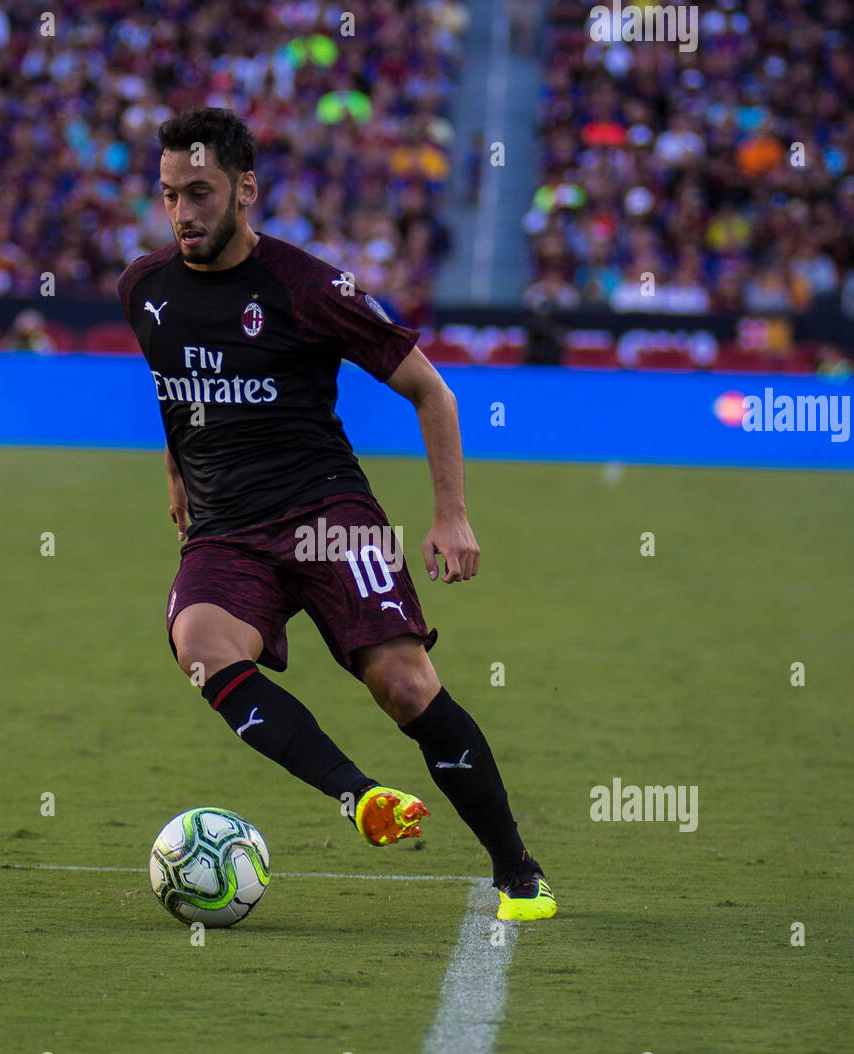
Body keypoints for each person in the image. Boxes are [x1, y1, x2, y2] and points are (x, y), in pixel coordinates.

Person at [117, 108, 554, 920]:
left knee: (404, 684)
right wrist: (176, 471)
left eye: (201, 193)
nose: (183, 213)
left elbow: (432, 389)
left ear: (246, 190)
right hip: (226, 530)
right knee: (200, 645)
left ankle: (518, 871)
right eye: (170, 194)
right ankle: (358, 796)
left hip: (327, 512)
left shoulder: (311, 287)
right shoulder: (144, 290)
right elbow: (172, 385)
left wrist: (450, 515)